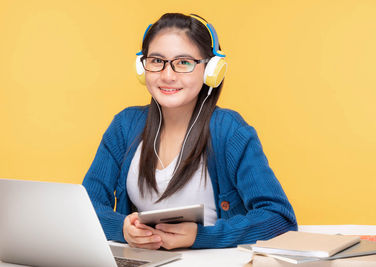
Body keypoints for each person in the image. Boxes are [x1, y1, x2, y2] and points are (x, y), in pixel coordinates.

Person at [82, 13, 297, 250]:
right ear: (142, 66)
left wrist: (201, 236)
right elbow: (84, 208)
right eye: (156, 61)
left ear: (211, 70)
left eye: (183, 62)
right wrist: (122, 227)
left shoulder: (230, 131)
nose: (167, 75)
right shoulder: (125, 125)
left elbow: (280, 219)